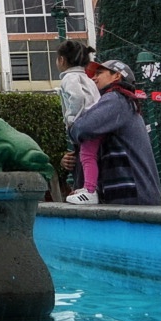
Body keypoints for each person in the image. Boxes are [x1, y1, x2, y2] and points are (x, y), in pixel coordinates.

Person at [66, 59, 161, 205]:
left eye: (99, 73)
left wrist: (71, 125)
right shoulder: (124, 102)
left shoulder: (116, 99)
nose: (94, 78)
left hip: (134, 199)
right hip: (136, 197)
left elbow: (83, 129)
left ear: (116, 76)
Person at [57, 41, 102, 204]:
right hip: (96, 121)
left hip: (86, 124)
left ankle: (90, 190)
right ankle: (88, 187)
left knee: (87, 156)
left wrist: (71, 119)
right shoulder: (87, 78)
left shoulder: (69, 78)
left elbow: (77, 97)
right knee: (89, 156)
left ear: (62, 60)